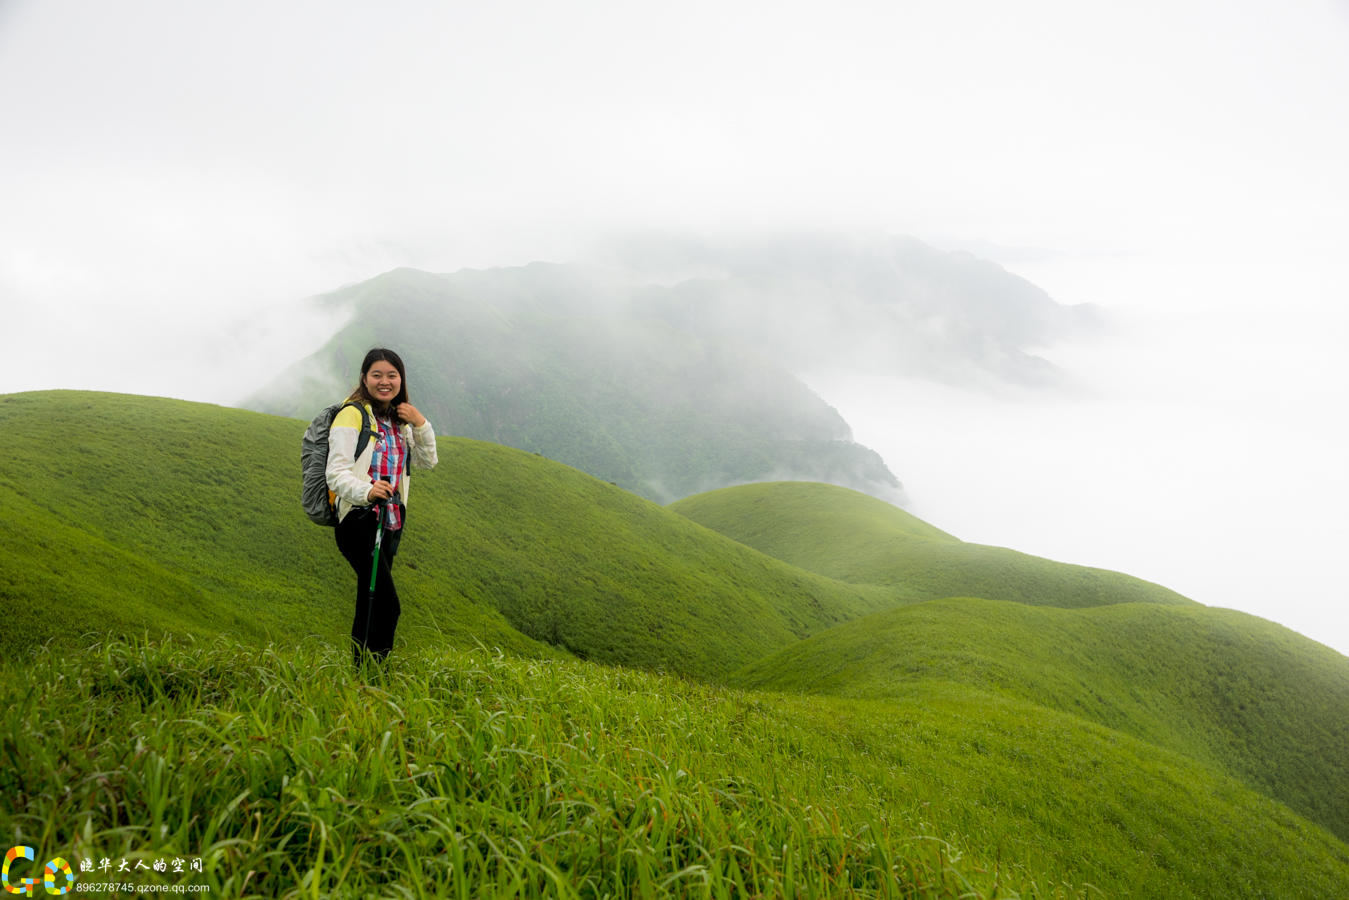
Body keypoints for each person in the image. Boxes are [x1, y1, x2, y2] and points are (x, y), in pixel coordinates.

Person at [325, 348, 438, 667]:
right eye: (377, 375)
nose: (385, 381)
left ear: (401, 380)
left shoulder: (398, 421)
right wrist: (367, 490)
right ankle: (376, 676)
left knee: (370, 602)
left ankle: (360, 674)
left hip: (390, 523)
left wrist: (420, 424)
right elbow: (335, 473)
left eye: (392, 375)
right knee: (388, 606)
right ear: (364, 378)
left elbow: (427, 462)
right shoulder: (352, 415)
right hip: (358, 520)